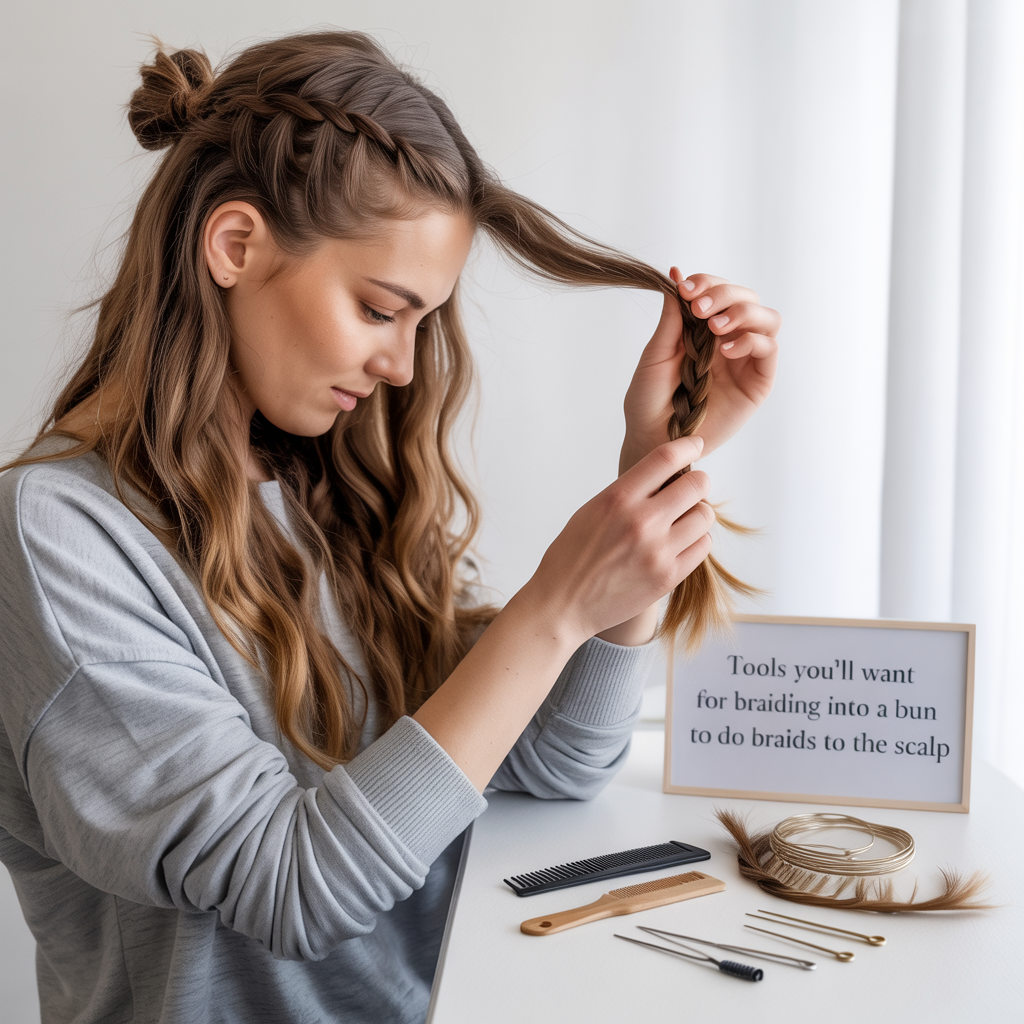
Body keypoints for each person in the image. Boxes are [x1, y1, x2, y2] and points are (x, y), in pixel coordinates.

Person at [0, 29, 780, 1024]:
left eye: (423, 323)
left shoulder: (322, 490)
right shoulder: (58, 538)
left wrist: (654, 468)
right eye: (381, 309)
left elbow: (553, 763)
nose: (403, 368)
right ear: (234, 245)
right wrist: (552, 606)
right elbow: (292, 884)